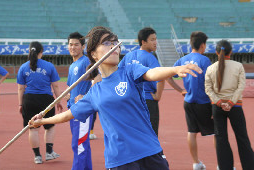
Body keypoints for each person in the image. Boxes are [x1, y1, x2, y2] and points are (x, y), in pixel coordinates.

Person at [29, 28, 202, 170]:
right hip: (121, 159)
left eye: (114, 43)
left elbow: (152, 73)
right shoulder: (95, 92)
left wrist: (174, 70)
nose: (113, 47)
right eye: (106, 43)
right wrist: (42, 120)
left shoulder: (129, 70)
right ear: (94, 54)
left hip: (150, 151)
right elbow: (68, 115)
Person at [167, 31, 215, 170]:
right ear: (202, 45)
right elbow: (209, 81)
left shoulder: (183, 60)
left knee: (192, 132)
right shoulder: (204, 60)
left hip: (188, 101)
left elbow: (169, 75)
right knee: (216, 132)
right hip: (203, 102)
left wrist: (180, 90)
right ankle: (221, 163)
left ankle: (195, 163)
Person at [205, 40, 254, 170]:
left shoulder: (210, 68)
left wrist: (220, 102)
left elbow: (208, 89)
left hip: (217, 107)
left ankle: (225, 167)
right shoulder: (238, 66)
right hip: (235, 106)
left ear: (216, 52)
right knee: (242, 138)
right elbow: (241, 86)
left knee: (221, 139)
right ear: (231, 52)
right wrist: (231, 102)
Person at [17, 41, 63, 164]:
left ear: (29, 52)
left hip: (29, 100)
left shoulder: (23, 67)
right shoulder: (49, 66)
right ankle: (49, 152)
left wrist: (20, 104)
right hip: (46, 100)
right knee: (50, 126)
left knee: (33, 129)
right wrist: (58, 100)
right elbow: (56, 86)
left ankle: (37, 156)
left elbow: (21, 88)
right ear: (41, 52)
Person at [119, 27, 164, 136]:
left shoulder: (128, 56)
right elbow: (161, 77)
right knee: (151, 134)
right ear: (143, 42)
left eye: (156, 39)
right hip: (147, 100)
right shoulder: (150, 58)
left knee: (133, 133)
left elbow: (119, 74)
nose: (155, 42)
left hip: (129, 101)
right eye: (152, 39)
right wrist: (158, 95)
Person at [65, 32, 94, 170]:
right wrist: (68, 97)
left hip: (82, 110)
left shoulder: (86, 62)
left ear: (83, 46)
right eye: (70, 44)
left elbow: (98, 80)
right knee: (82, 144)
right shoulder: (73, 65)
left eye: (76, 44)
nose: (73, 47)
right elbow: (71, 87)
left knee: (79, 144)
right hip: (73, 109)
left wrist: (86, 96)